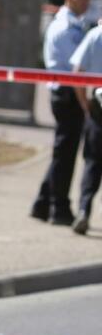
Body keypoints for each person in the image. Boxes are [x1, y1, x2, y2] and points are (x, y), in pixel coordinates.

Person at [32, 0, 92, 227]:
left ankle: (43, 203)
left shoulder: (75, 25)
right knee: (64, 154)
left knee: (64, 151)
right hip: (67, 94)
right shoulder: (66, 27)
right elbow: (77, 66)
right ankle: (59, 208)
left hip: (69, 93)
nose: (86, 2)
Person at [67, 16, 102, 235]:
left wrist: (84, 104)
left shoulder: (94, 35)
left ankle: (83, 211)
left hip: (98, 106)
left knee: (92, 162)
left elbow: (77, 73)